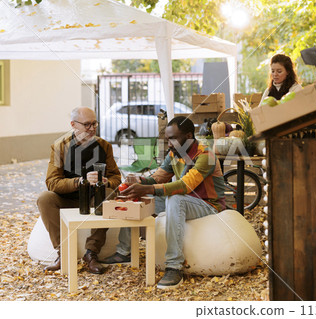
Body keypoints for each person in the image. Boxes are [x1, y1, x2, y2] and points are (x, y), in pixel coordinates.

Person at [102, 116, 226, 289]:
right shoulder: (174, 153)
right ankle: (124, 251)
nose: (169, 143)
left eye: (173, 138)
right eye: (168, 139)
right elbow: (158, 177)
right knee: (138, 198)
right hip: (185, 201)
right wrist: (139, 181)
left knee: (175, 198)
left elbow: (184, 186)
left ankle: (174, 266)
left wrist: (148, 189)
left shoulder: (206, 155)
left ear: (189, 135)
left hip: (209, 205)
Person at [38, 107, 121, 274]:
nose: (92, 129)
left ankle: (91, 253)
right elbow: (52, 182)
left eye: (94, 124)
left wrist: (106, 182)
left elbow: (116, 179)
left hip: (94, 199)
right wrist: (80, 181)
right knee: (44, 199)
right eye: (87, 125)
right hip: (67, 198)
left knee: (108, 194)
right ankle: (64, 253)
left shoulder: (104, 146)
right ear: (73, 125)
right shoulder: (59, 147)